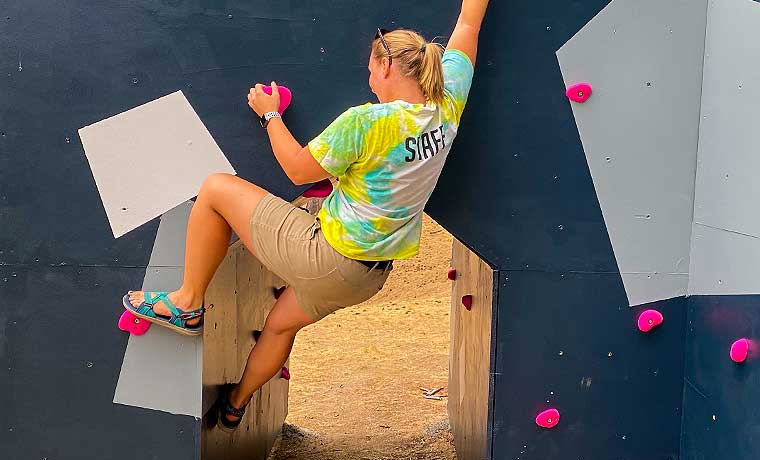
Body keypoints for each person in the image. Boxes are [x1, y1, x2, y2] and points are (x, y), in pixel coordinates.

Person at [121, 0, 490, 429]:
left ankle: (186, 302)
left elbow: (297, 169)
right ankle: (235, 404)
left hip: (327, 257)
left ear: (387, 66)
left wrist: (270, 113)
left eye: (371, 69)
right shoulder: (448, 104)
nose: (369, 79)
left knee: (215, 189)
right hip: (368, 276)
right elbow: (469, 22)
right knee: (279, 327)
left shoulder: (367, 123)